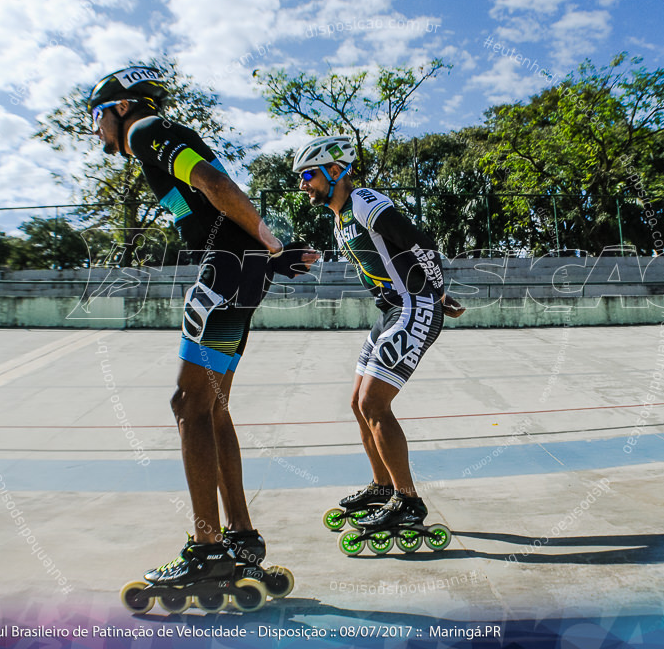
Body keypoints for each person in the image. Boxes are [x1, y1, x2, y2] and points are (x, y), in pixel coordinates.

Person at [87, 66, 317, 586]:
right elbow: (209, 206)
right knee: (212, 408)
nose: (96, 128)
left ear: (122, 107)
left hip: (224, 274)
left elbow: (213, 183)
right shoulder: (153, 140)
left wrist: (268, 241)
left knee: (188, 406)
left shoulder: (145, 132)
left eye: (97, 114)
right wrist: (267, 258)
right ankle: (240, 534)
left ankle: (207, 548)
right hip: (241, 272)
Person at [292, 135, 463, 531]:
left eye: (308, 176)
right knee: (357, 402)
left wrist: (436, 293)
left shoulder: (365, 202)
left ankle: (407, 500)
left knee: (373, 403)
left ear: (336, 171)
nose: (303, 185)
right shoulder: (340, 221)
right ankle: (383, 486)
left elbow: (422, 245)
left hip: (413, 306)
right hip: (390, 310)